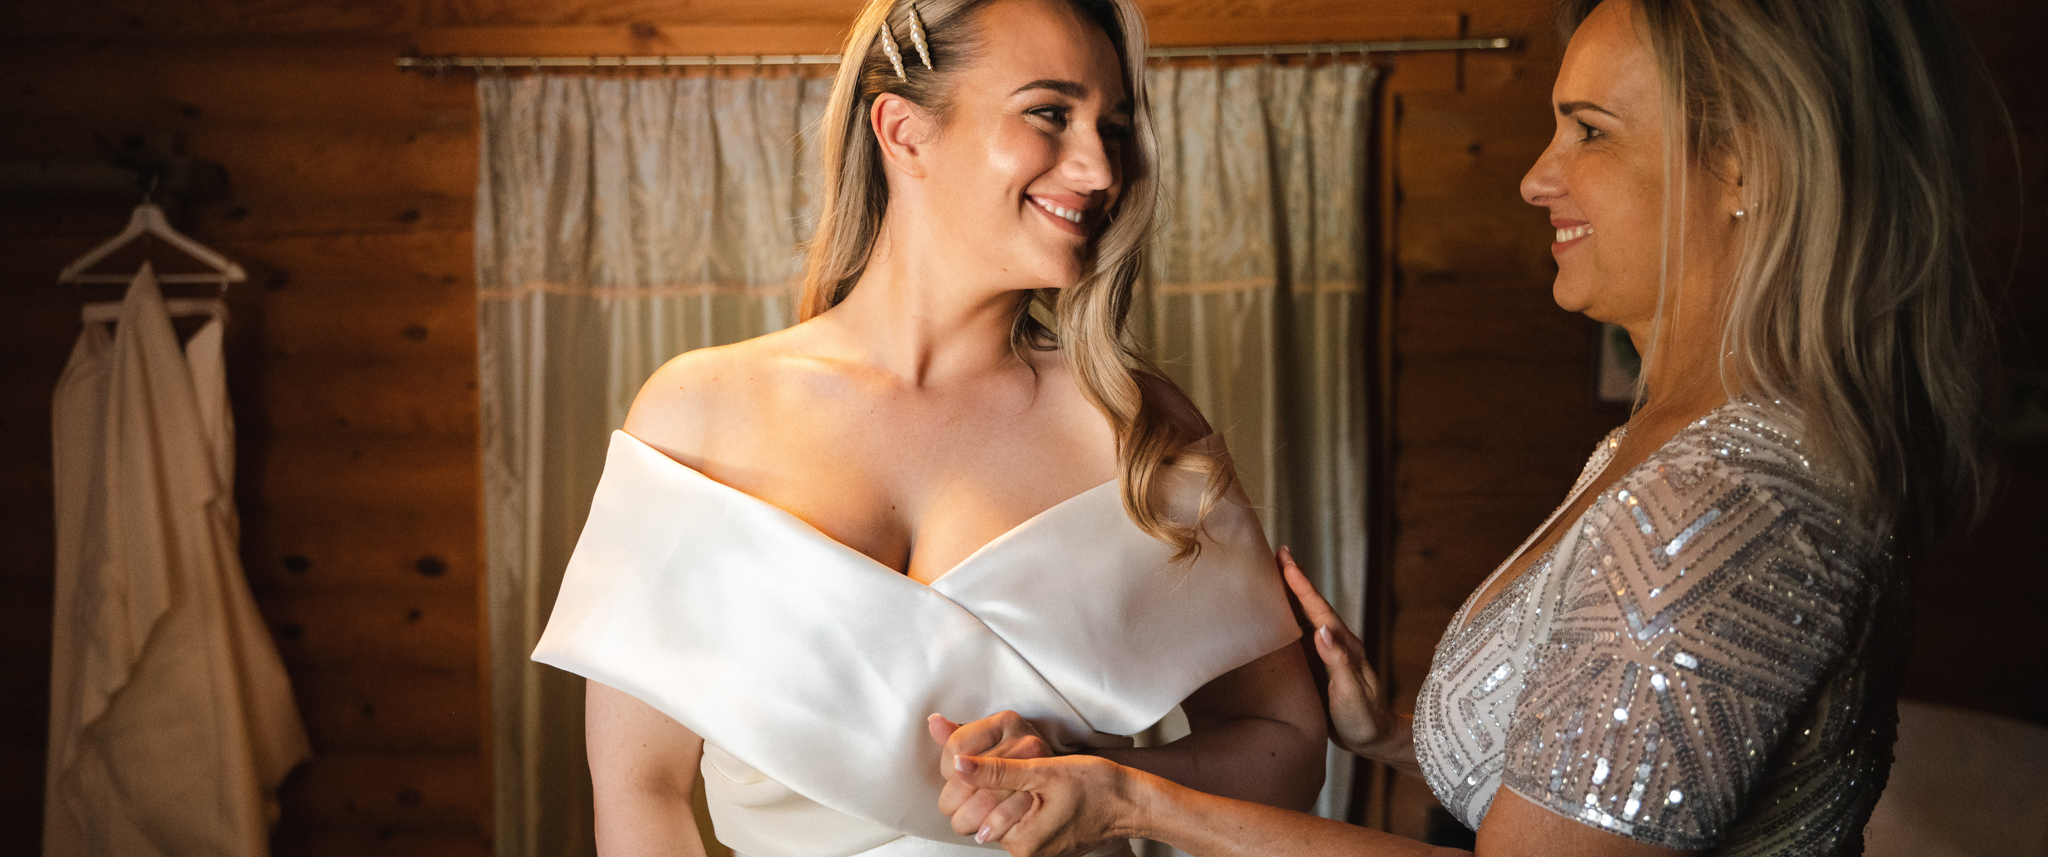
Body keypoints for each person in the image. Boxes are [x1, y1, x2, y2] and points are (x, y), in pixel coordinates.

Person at [934, 0, 1999, 853]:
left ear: (1743, 166)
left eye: (1589, 130)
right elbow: (1602, 786)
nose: (1537, 177)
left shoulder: (1723, 506)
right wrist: (1391, 734)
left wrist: (1131, 800)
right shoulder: (1663, 448)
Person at [528, 0, 1329, 854]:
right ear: (904, 132)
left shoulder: (1137, 428)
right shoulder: (699, 415)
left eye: (1116, 128)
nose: (1099, 168)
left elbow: (1286, 742)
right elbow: (642, 790)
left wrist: (1107, 780)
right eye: (1050, 114)